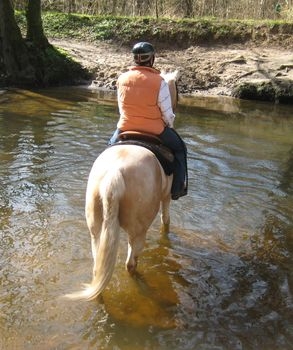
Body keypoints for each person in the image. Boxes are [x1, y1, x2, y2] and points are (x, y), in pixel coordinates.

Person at [109, 41, 187, 200]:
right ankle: (178, 188)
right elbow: (167, 113)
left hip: (125, 127)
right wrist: (170, 126)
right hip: (155, 130)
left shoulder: (122, 78)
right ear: (152, 59)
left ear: (134, 59)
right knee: (180, 149)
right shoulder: (159, 82)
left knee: (109, 150)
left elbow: (121, 108)